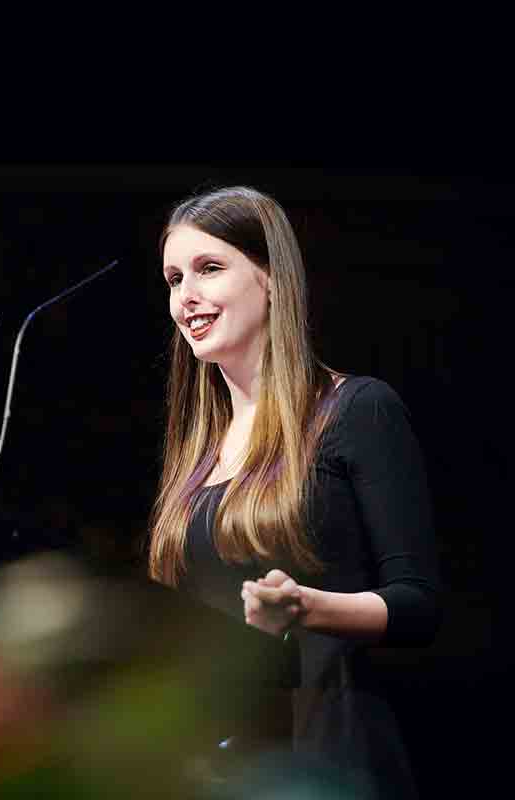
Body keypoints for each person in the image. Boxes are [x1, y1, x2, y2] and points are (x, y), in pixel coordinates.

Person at [146, 186, 442, 798]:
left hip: (331, 755)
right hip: (223, 769)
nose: (186, 297)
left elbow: (418, 606)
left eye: (210, 268)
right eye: (175, 279)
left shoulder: (356, 410)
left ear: (274, 279)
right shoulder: (198, 453)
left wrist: (308, 607)